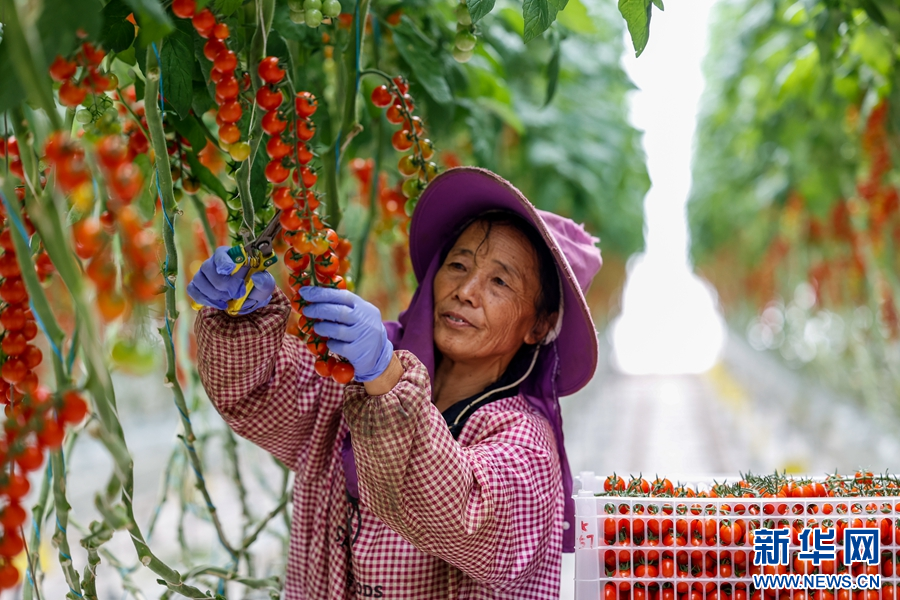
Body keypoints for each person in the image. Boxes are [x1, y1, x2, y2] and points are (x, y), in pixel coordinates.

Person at [188, 167, 602, 599]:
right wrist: (241, 316)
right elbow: (257, 393)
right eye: (458, 264)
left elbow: (462, 515)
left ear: (539, 325)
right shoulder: (353, 386)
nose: (465, 289)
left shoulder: (526, 443)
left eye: (499, 281)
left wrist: (386, 377)